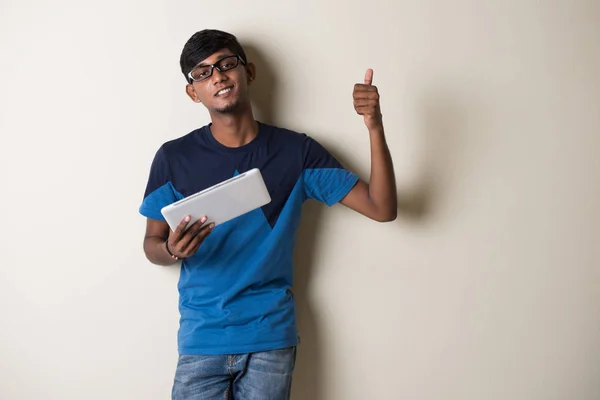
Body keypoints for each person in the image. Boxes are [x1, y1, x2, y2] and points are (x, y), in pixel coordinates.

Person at [139, 29, 397, 400]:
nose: (218, 76)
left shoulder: (297, 152)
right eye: (203, 72)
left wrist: (374, 127)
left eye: (227, 64)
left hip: (270, 338)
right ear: (193, 92)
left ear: (249, 72)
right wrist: (174, 250)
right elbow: (152, 244)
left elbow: (382, 208)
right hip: (201, 338)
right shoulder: (173, 157)